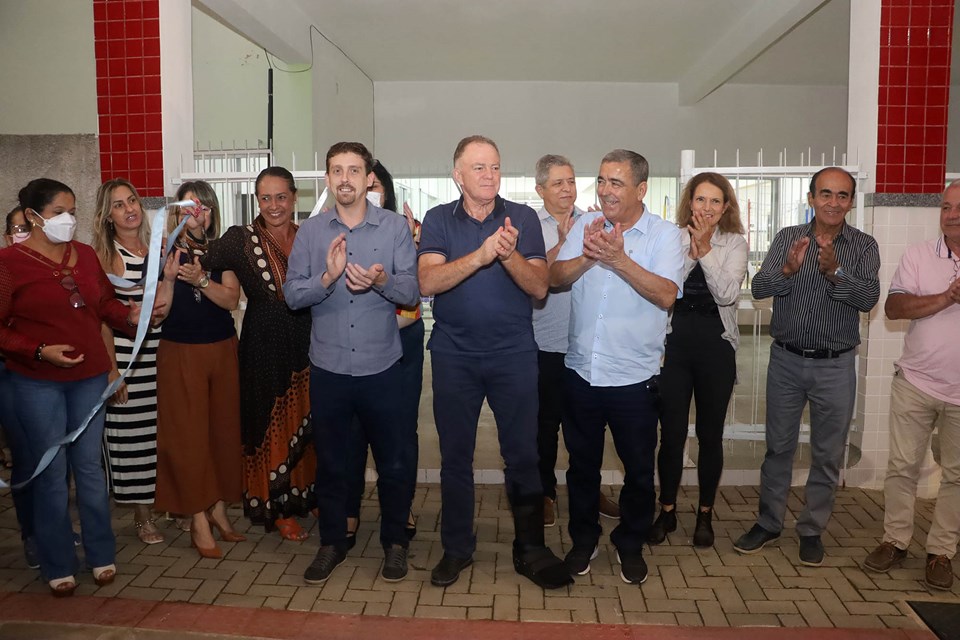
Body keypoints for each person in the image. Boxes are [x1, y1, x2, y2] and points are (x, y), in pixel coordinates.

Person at [418, 135, 571, 590]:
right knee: (455, 457)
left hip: (514, 356)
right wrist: (483, 254)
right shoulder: (438, 219)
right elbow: (428, 281)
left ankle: (531, 548)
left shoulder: (522, 218)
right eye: (479, 167)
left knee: (523, 455)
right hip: (454, 356)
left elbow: (539, 287)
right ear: (458, 175)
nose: (489, 175)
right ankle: (456, 549)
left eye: (495, 167)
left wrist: (507, 256)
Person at [284, 142, 419, 585]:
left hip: (384, 369)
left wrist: (381, 280)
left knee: (393, 463)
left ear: (367, 178)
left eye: (354, 170)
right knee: (333, 465)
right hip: (330, 370)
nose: (345, 178)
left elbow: (412, 292)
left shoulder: (394, 227)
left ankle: (395, 543)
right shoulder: (310, 232)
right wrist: (327, 277)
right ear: (328, 179)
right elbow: (292, 295)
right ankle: (332, 544)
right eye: (337, 170)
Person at [0, 178, 142, 596]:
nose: (68, 219)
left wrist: (130, 316)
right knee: (51, 473)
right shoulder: (9, 263)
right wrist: (39, 350)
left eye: (72, 211)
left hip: (89, 379)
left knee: (90, 470)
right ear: (33, 216)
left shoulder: (84, 255)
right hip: (37, 382)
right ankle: (58, 561)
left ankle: (101, 553)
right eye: (59, 212)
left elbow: (104, 305)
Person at [734, 167, 880, 567]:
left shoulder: (864, 246)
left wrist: (836, 272)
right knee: (778, 448)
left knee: (827, 453)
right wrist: (787, 271)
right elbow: (759, 289)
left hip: (835, 366)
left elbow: (868, 298)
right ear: (811, 197)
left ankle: (812, 529)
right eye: (826, 194)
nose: (833, 202)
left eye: (842, 195)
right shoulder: (787, 238)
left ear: (851, 201)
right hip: (786, 360)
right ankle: (768, 523)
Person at [551, 149, 683, 583]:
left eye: (617, 183)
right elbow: (554, 277)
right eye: (602, 180)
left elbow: (667, 294)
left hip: (634, 381)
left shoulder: (664, 235)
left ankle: (630, 543)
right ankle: (583, 541)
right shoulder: (587, 226)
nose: (606, 190)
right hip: (581, 374)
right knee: (581, 469)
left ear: (641, 189)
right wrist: (588, 256)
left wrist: (619, 260)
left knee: (639, 473)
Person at [201, 167, 316, 541]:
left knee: (309, 421)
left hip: (310, 340)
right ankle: (277, 506)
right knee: (271, 424)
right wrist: (186, 230)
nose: (274, 205)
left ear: (294, 197)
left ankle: (306, 494)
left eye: (281, 197)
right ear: (257, 200)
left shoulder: (309, 235)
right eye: (265, 198)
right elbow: (200, 256)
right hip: (264, 344)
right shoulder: (240, 238)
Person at [863, 179, 960, 590]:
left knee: (957, 475)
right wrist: (948, 297)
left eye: (959, 208)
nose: (951, 215)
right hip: (916, 383)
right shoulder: (919, 255)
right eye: (946, 207)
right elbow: (894, 307)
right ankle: (895, 541)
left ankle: (941, 552)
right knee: (902, 467)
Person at [649, 173, 748, 548]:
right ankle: (667, 510)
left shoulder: (735, 243)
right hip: (674, 347)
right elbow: (666, 289)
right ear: (689, 203)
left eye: (715, 201)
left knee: (710, 436)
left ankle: (705, 513)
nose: (706, 208)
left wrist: (705, 249)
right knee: (671, 435)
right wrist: (691, 252)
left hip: (715, 348)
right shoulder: (672, 238)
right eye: (700, 199)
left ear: (725, 207)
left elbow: (726, 294)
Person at [153, 180, 245, 559]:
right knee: (188, 438)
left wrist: (201, 279)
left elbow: (231, 299)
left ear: (212, 212)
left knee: (223, 431)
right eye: (190, 206)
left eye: (204, 206)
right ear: (177, 210)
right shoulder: (163, 251)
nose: (197, 213)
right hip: (181, 351)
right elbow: (158, 312)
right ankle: (197, 518)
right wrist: (171, 278)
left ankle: (219, 508)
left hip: (222, 348)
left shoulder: (222, 250)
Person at [531, 154, 620, 528]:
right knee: (545, 426)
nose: (567, 189)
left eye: (571, 181)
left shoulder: (594, 222)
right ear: (541, 189)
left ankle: (589, 490)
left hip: (586, 345)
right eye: (558, 183)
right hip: (545, 343)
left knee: (586, 428)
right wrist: (565, 243)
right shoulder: (530, 226)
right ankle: (545, 493)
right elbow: (534, 278)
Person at [345, 159, 421, 546]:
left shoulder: (404, 230)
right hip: (354, 344)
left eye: (376, 185)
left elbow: (415, 294)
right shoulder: (335, 229)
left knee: (401, 430)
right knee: (352, 430)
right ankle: (349, 509)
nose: (368, 190)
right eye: (363, 181)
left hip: (401, 343)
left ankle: (400, 504)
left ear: (386, 192)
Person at [92, 179, 164, 546]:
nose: (129, 209)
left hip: (161, 355)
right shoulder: (105, 258)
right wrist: (112, 370)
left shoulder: (157, 248)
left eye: (131, 200)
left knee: (160, 436)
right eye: (118, 205)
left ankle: (169, 503)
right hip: (126, 359)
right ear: (107, 216)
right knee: (132, 438)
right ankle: (142, 515)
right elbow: (101, 320)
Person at [0, 206, 38, 568]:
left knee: (55, 459)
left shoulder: (51, 269)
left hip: (49, 374)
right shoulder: (4, 270)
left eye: (29, 227)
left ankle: (54, 528)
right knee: (26, 456)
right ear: (7, 236)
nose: (24, 234)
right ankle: (31, 534)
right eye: (17, 229)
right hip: (10, 372)